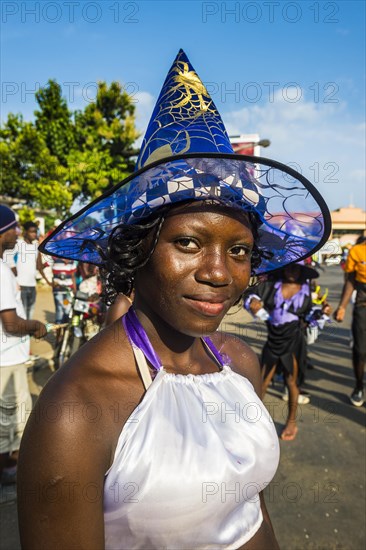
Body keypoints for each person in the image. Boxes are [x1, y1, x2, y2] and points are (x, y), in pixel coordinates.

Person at [18, 50, 331, 549]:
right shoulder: (77, 412)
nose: (217, 272)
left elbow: (250, 507)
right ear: (136, 251)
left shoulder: (240, 363)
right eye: (187, 242)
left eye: (239, 250)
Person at [244, 262, 331, 441]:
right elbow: (250, 294)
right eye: (289, 266)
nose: (292, 270)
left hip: (293, 341)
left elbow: (316, 312)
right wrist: (253, 302)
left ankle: (291, 421)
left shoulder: (308, 290)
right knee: (262, 381)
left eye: (296, 267)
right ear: (283, 267)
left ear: (302, 270)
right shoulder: (270, 286)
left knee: (292, 382)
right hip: (273, 339)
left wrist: (323, 313)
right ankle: (254, 423)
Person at [0, 206, 48, 485]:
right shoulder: (2, 272)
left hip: (6, 357)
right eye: (13, 228)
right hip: (7, 361)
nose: (17, 233)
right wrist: (35, 326)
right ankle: (10, 471)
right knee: (12, 419)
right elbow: (11, 324)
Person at [334, 235, 366, 406]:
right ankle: (359, 386)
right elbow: (351, 281)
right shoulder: (357, 251)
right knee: (360, 351)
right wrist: (342, 306)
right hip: (363, 305)